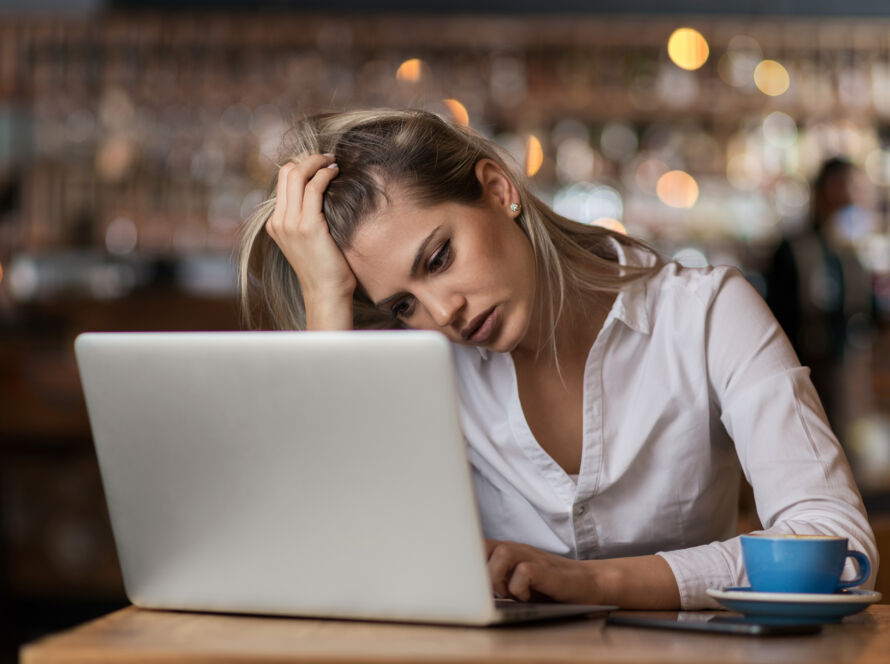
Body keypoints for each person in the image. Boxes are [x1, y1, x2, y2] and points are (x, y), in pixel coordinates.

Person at [238, 109, 877, 609]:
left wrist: (592, 584)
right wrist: (326, 301)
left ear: (497, 189)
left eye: (438, 259)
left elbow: (837, 546)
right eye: (403, 305)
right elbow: (323, 560)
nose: (442, 313)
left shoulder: (706, 314)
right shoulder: (418, 371)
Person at [766, 157, 874, 440]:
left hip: (842, 366)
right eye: (841, 185)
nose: (848, 194)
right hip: (801, 365)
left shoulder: (846, 248)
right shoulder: (792, 249)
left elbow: (859, 303)